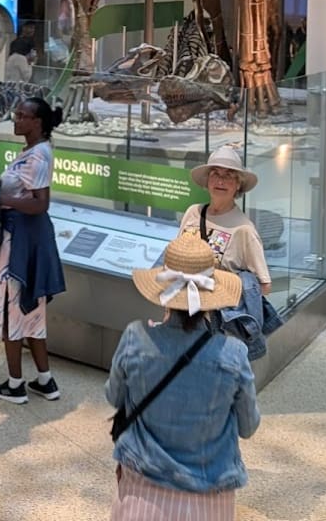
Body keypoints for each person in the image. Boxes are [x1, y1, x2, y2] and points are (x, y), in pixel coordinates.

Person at [107, 232, 260, 520]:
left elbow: (113, 396)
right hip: (209, 495)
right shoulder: (233, 354)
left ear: (164, 293)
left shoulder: (136, 338)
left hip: (142, 489)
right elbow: (248, 426)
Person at [0, 97, 65, 404]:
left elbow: (40, 203)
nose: (15, 119)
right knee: (31, 313)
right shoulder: (32, 152)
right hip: (23, 239)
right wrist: (1, 185)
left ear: (38, 122)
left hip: (20, 244)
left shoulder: (39, 156)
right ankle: (45, 380)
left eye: (22, 115)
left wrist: (3, 202)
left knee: (12, 310)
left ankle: (15, 384)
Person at [179, 146, 271, 295]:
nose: (220, 181)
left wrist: (228, 297)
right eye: (215, 173)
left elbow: (264, 286)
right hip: (183, 305)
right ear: (208, 180)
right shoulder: (193, 213)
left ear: (238, 184)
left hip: (218, 315)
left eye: (228, 175)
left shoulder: (244, 229)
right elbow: (175, 265)